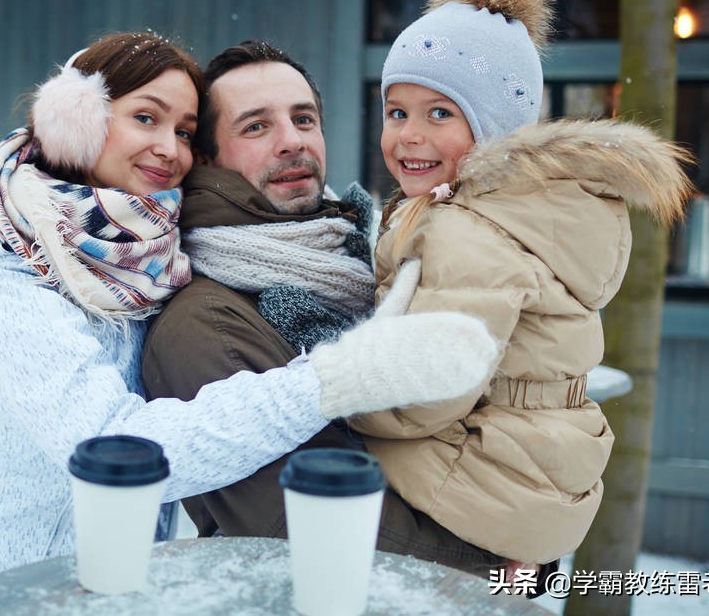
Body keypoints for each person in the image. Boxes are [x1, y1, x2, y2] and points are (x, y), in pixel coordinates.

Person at [0, 31, 500, 590]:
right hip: (15, 585)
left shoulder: (150, 261)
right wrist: (337, 377)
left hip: (119, 581)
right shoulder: (12, 282)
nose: (169, 148)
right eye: (146, 118)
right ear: (77, 121)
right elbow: (109, 449)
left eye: (182, 130)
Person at [351, 0, 694, 585]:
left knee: (304, 482)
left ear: (495, 130)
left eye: (440, 114)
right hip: (533, 489)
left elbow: (424, 392)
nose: (409, 135)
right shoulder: (528, 209)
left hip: (479, 494)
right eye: (397, 112)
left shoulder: (470, 233)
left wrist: (333, 397)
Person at [141, 39, 509, 576]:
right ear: (206, 158)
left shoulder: (374, 256)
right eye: (256, 127)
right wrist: (500, 562)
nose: (292, 142)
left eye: (303, 119)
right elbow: (317, 530)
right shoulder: (205, 326)